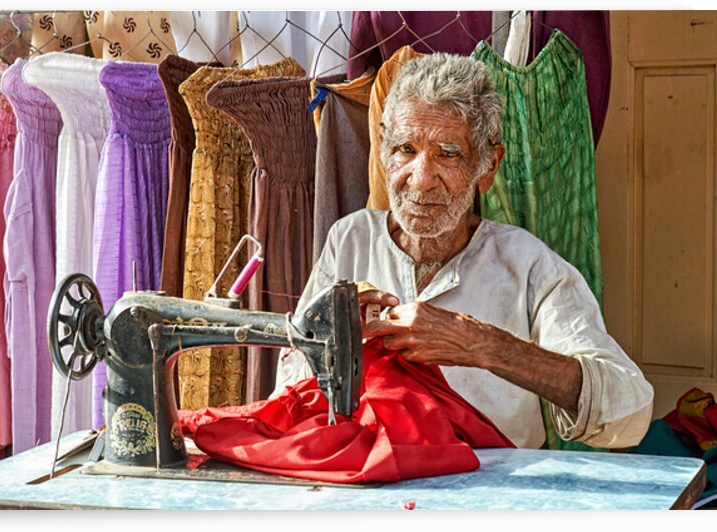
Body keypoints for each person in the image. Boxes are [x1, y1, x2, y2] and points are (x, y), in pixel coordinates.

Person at [273, 53, 653, 449]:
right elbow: (288, 387)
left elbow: (629, 414)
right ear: (383, 151)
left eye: (448, 154)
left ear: (488, 167)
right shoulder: (350, 240)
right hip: (376, 483)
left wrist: (483, 346)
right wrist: (330, 343)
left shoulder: (527, 265)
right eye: (405, 148)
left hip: (495, 495)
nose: (421, 182)